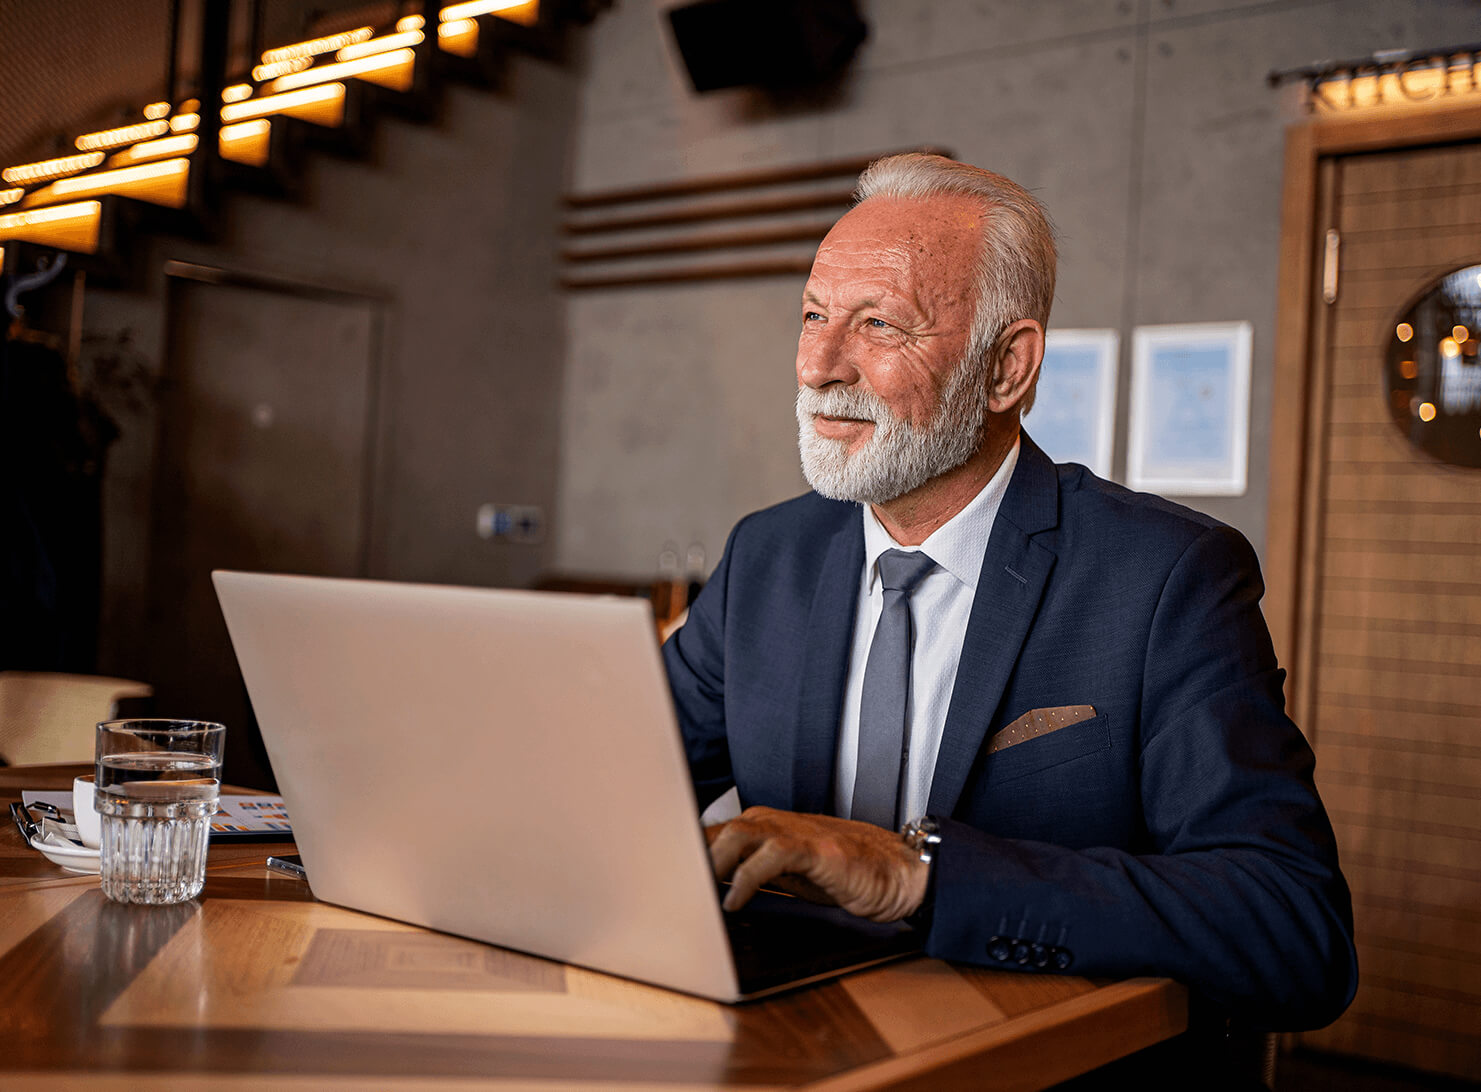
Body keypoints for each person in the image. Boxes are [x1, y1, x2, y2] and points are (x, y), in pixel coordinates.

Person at [662, 153, 1358, 1034]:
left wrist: (918, 872)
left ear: (1006, 369)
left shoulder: (1167, 577)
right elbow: (616, 775)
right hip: (784, 1048)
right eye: (812, 316)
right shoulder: (767, 554)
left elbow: (1293, 929)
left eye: (879, 324)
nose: (818, 366)